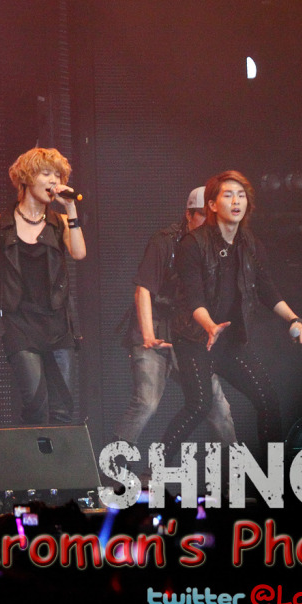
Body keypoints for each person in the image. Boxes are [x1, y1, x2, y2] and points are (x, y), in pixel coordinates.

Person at [159, 171, 302, 464]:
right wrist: (210, 326)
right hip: (195, 339)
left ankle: (273, 475)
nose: (236, 201)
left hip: (230, 341)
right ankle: (154, 470)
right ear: (212, 205)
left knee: (267, 400)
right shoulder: (192, 244)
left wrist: (294, 319)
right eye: (228, 195)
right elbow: (193, 297)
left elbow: (267, 289)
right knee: (199, 406)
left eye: (241, 196)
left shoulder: (250, 244)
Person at [112, 186, 236, 449]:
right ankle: (114, 464)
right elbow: (143, 290)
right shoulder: (164, 241)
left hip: (187, 333)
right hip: (155, 328)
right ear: (188, 215)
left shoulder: (215, 249)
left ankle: (234, 470)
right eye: (203, 216)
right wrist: (148, 335)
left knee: (218, 406)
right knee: (146, 403)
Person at [0, 148, 86, 424]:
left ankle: (56, 454)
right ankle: (35, 451)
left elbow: (79, 253)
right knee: (36, 404)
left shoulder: (60, 223)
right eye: (46, 173)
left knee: (62, 410)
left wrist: (71, 209)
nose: (53, 180)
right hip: (19, 323)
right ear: (26, 178)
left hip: (57, 324)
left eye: (57, 175)